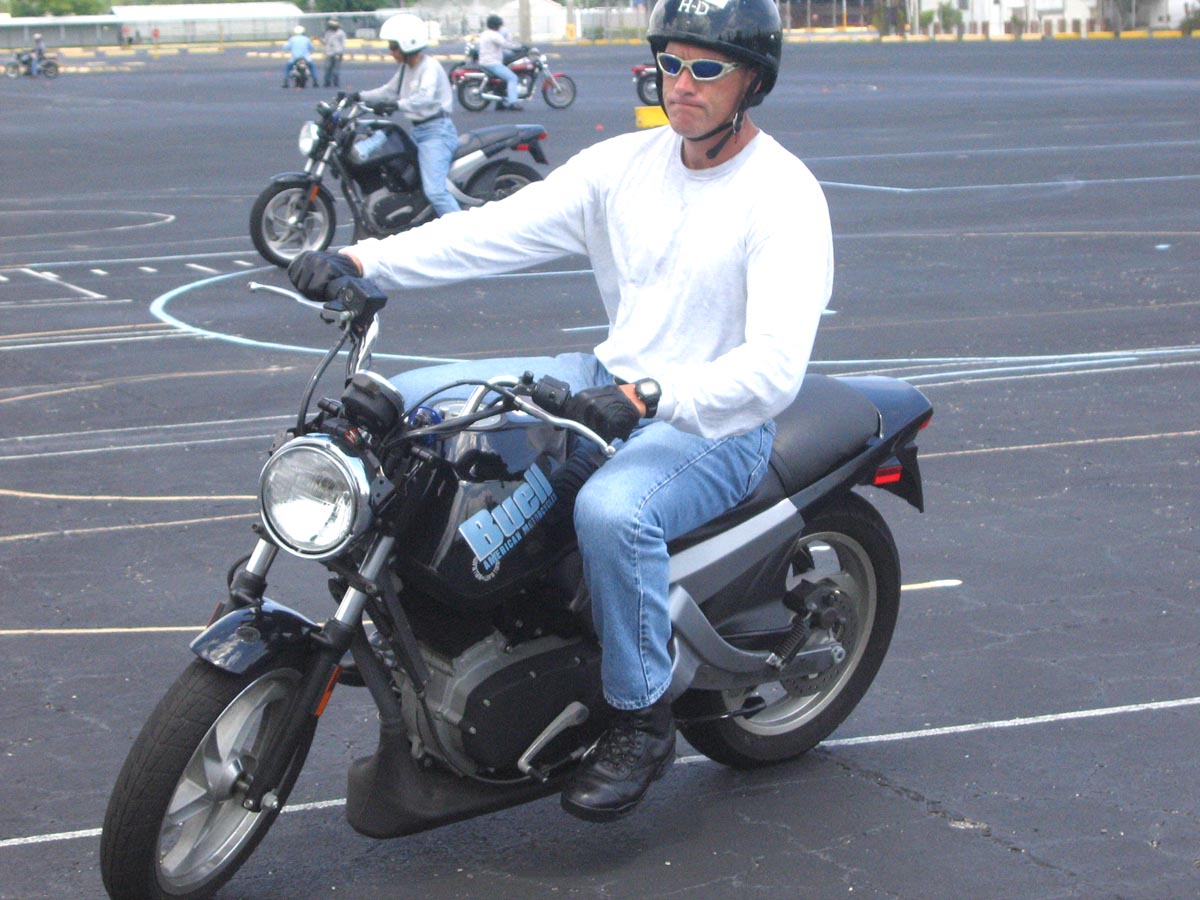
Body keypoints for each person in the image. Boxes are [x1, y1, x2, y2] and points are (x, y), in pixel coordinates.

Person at [288, 0, 832, 822]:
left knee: (614, 513)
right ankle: (421, 616)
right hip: (608, 379)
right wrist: (364, 261)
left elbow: (775, 367)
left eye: (706, 68)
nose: (682, 84)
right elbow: (493, 230)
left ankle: (641, 717)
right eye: (670, 63)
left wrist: (652, 397)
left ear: (752, 80)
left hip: (714, 421)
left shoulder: (783, 195)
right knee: (415, 399)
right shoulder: (623, 166)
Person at [350, 14, 461, 217]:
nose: (390, 51)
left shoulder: (430, 67)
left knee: (435, 192)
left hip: (437, 133)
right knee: (404, 179)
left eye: (393, 47)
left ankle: (463, 231)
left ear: (408, 44)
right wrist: (358, 96)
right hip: (418, 131)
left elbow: (425, 98)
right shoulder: (406, 68)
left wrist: (396, 105)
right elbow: (388, 91)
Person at [477, 14, 522, 110]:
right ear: (496, 25)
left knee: (501, 81)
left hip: (486, 62)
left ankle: (500, 104)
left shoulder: (485, 33)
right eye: (499, 25)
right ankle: (513, 103)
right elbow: (506, 44)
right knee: (512, 78)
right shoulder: (494, 35)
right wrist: (520, 47)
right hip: (492, 63)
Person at [321, 17, 346, 88]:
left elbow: (343, 43)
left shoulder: (341, 33)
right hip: (329, 53)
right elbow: (325, 42)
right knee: (327, 68)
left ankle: (335, 82)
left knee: (335, 69)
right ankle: (327, 82)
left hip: (337, 53)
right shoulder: (328, 33)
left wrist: (339, 52)